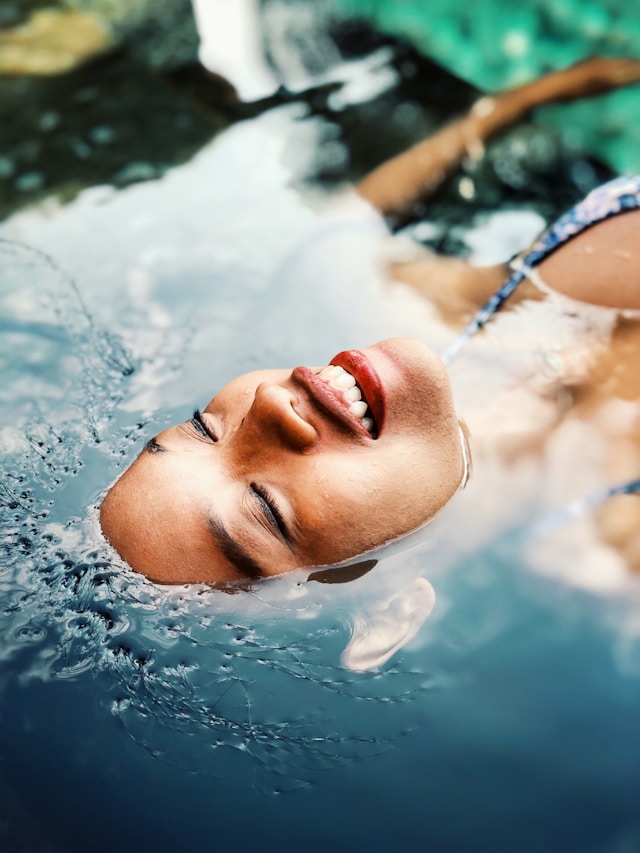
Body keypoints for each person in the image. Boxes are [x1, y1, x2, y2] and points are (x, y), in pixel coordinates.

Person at [99, 57, 640, 584]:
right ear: (394, 612)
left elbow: (358, 214)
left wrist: (527, 98)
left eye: (202, 428)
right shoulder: (613, 542)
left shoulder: (386, 297)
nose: (267, 402)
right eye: (265, 508)